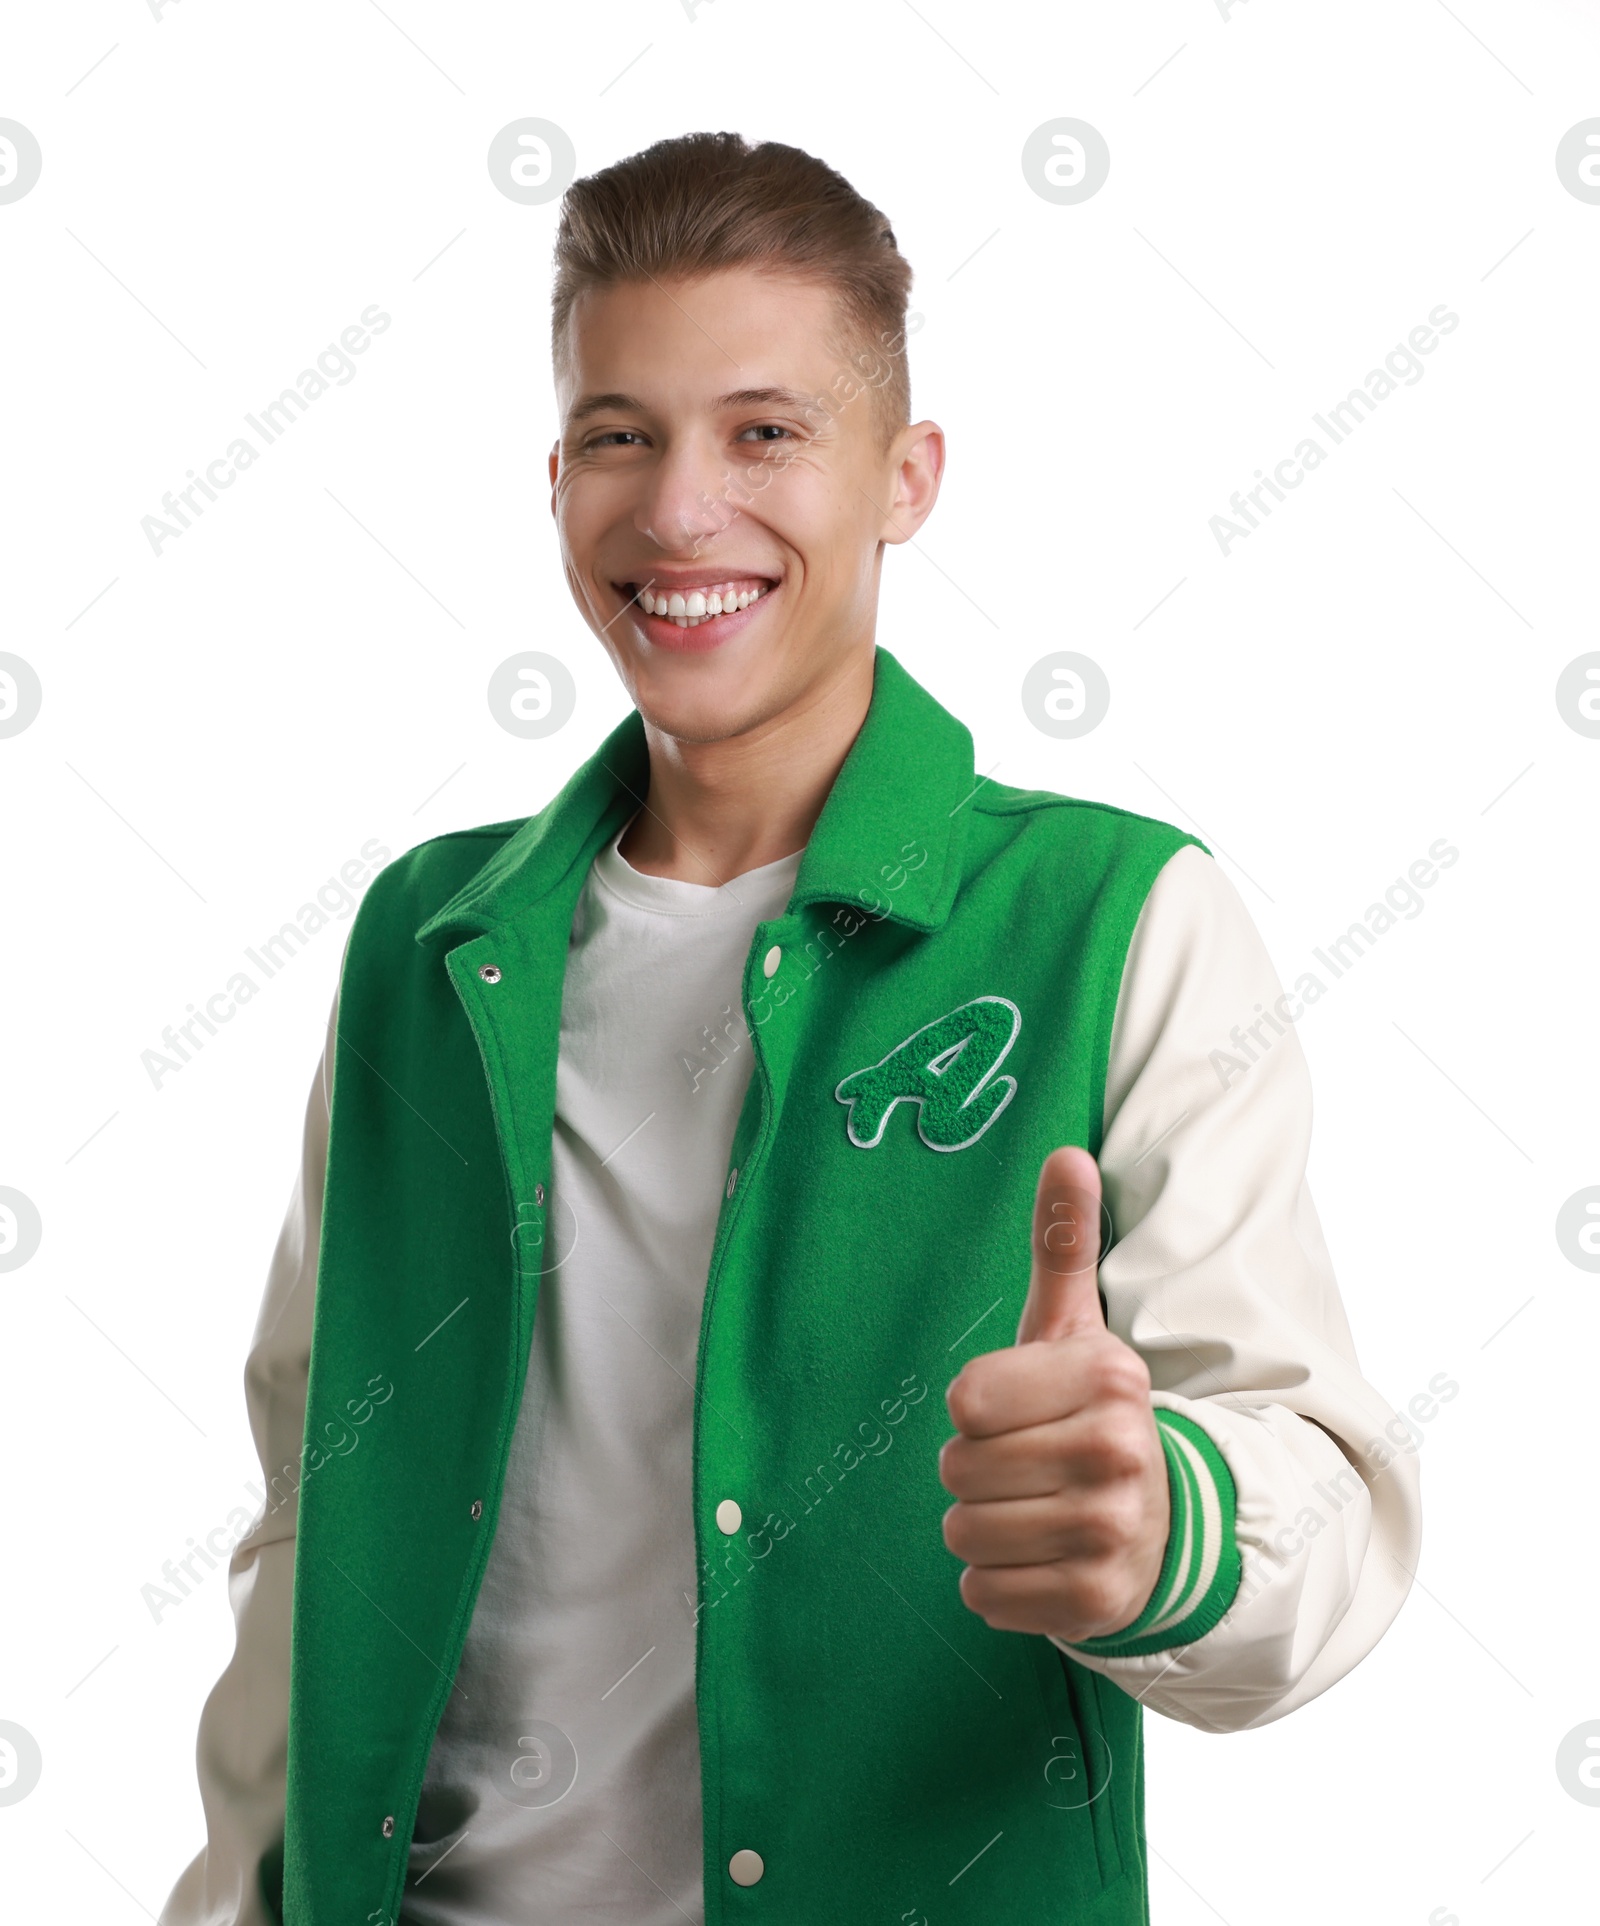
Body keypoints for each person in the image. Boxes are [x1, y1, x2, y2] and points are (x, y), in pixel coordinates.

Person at [162, 131, 1421, 1926]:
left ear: (904, 477)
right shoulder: (425, 942)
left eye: (765, 432)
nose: (681, 512)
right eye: (621, 433)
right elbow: (314, 1523)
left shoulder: (1115, 916)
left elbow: (1326, 1502)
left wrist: (1157, 1523)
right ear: (555, 475)